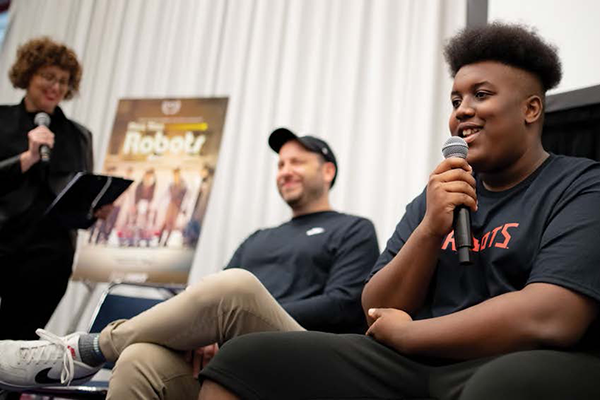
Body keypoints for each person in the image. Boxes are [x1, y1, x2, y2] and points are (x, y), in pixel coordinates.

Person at [196, 23, 600, 400]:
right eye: (456, 100)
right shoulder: (436, 197)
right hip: (416, 366)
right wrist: (429, 228)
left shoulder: (581, 186)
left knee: (502, 385)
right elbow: (376, 305)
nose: (461, 111)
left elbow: (551, 316)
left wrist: (413, 335)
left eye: (481, 95)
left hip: (516, 360)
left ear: (531, 109)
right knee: (244, 358)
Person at [0, 128, 380, 400]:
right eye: (280, 164)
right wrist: (213, 330)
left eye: (297, 161)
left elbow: (344, 303)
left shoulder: (352, 229)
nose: (284, 170)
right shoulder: (259, 237)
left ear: (327, 171)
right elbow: (212, 297)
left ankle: (84, 350)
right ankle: (98, 350)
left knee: (235, 288)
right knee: (139, 358)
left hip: (301, 357)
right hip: (237, 357)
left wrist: (231, 319)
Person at [0, 37, 110, 340]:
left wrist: (95, 211)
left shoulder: (79, 136)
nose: (56, 87)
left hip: (49, 258)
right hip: (3, 242)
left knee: (19, 346)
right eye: (48, 77)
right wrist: (27, 158)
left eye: (63, 81)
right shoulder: (1, 120)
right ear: (28, 75)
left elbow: (78, 201)